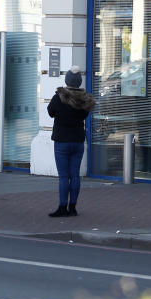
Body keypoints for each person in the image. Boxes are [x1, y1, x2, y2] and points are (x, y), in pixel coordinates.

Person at [46, 65, 95, 217]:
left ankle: (62, 207)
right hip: (78, 141)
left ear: (67, 80)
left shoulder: (59, 97)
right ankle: (72, 207)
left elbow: (50, 112)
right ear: (79, 82)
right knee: (74, 175)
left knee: (63, 176)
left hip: (62, 140)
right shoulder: (84, 99)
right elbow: (84, 115)